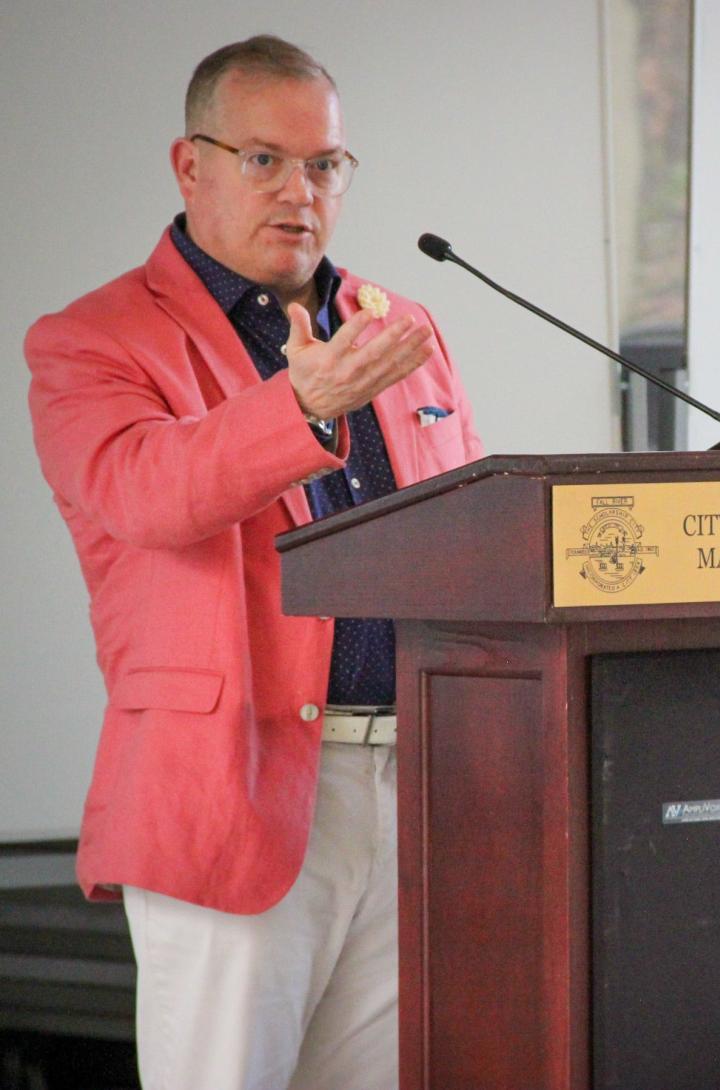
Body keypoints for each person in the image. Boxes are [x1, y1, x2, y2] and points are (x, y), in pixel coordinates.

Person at [25, 35, 483, 1090]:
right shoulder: (91, 340)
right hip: (231, 790)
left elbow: (462, 528)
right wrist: (303, 404)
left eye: (325, 165)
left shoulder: (397, 327)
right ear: (191, 166)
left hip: (415, 784)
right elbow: (147, 492)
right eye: (264, 160)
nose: (301, 191)